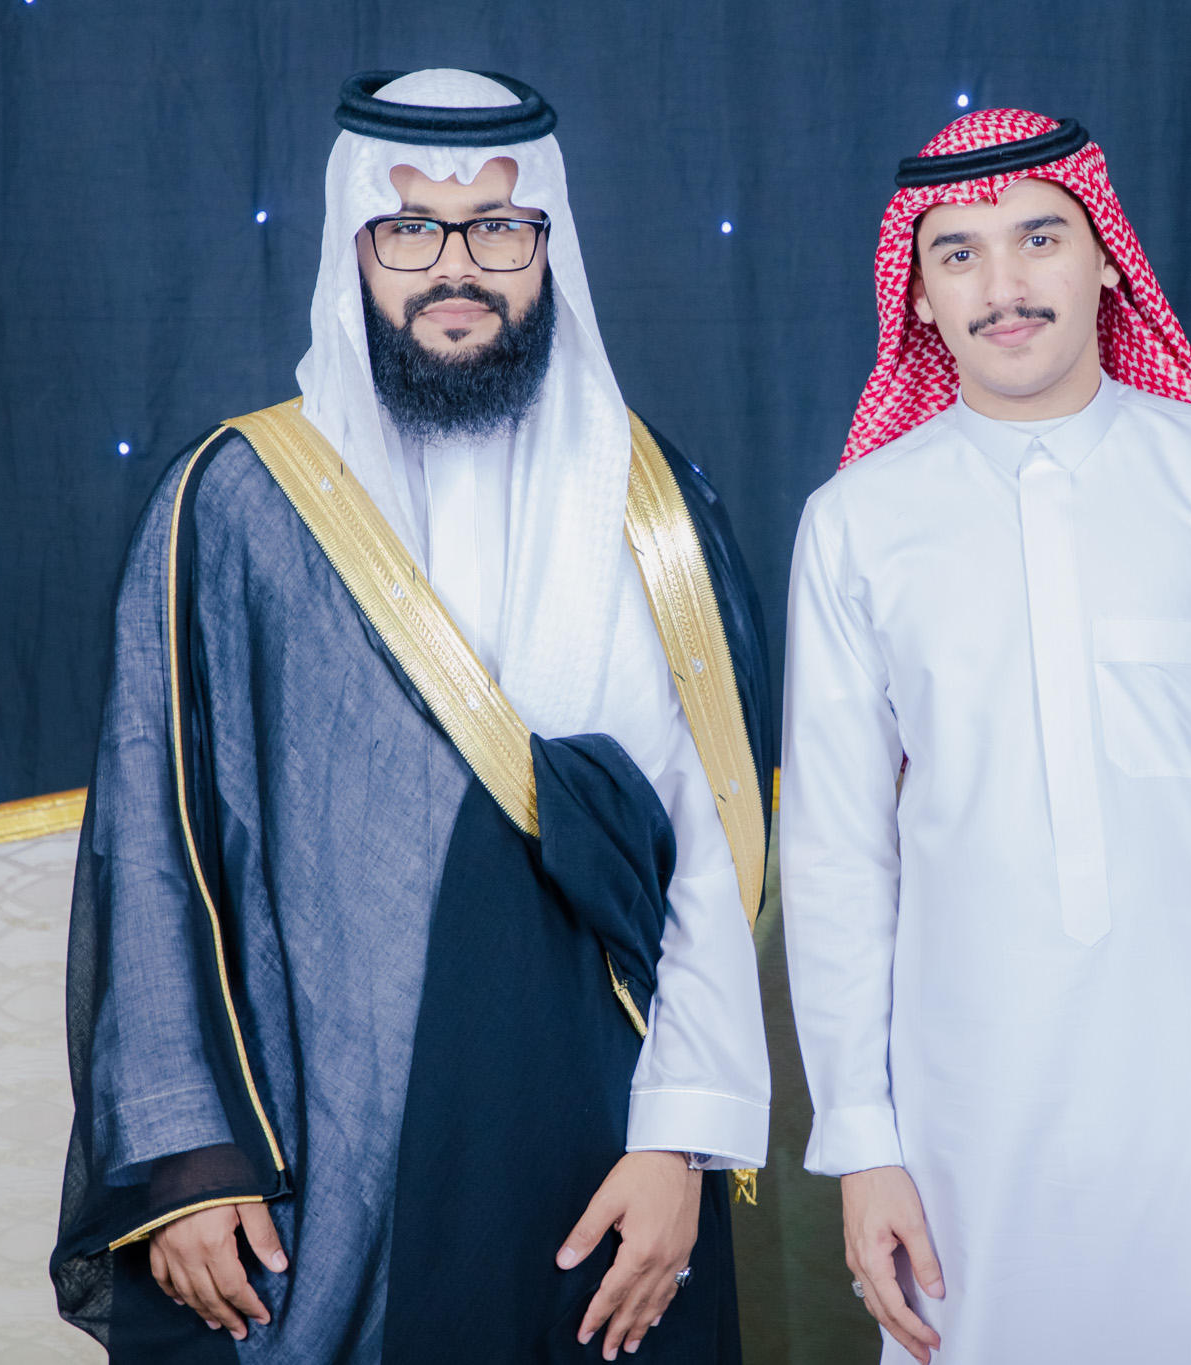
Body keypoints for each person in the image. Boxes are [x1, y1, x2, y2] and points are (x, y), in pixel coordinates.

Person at [51, 69, 773, 1365]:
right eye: (411, 230)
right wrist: (189, 1161)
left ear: (548, 245)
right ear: (355, 249)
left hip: (607, 1150)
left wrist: (681, 1142)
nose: (457, 267)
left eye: (498, 227)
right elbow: (153, 847)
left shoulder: (651, 503)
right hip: (320, 1156)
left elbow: (711, 853)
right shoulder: (239, 500)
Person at [779, 108, 1191, 1362]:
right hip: (971, 1133)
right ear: (917, 296)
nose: (1001, 285)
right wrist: (862, 1143)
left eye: (1038, 238)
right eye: (957, 253)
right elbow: (837, 861)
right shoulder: (853, 523)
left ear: (1107, 259)